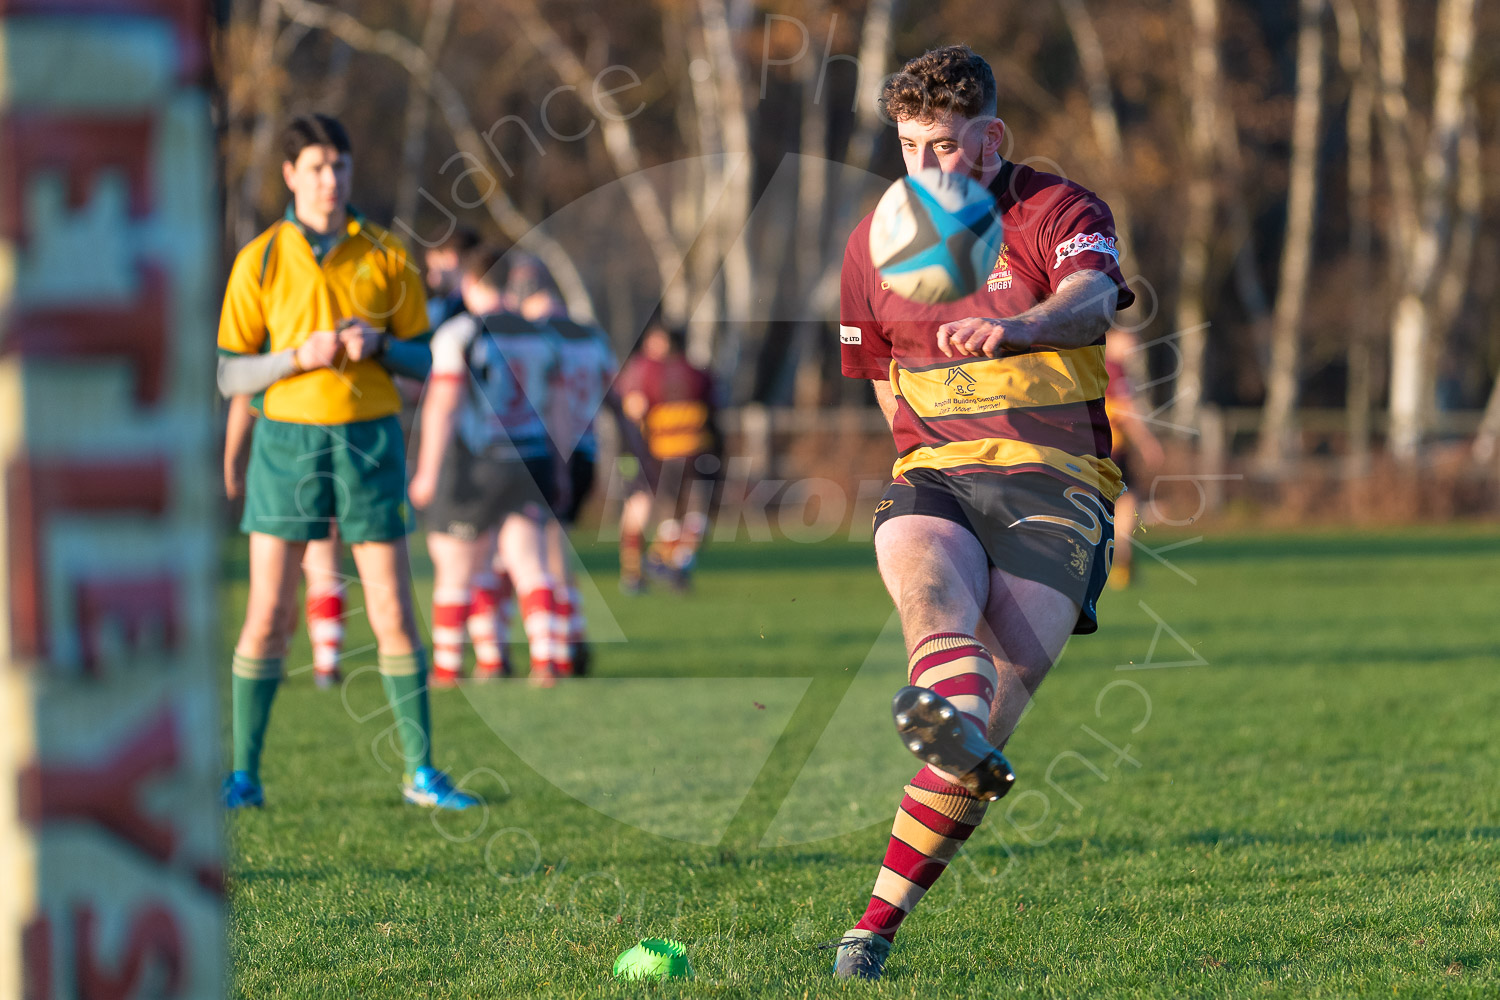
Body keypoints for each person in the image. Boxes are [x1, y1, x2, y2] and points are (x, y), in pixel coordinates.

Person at [831, 45, 1135, 979]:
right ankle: (947, 722)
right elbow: (883, 379)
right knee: (931, 595)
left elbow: (1091, 304)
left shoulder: (1057, 209)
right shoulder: (875, 243)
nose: (924, 168)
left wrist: (1024, 326)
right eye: (909, 147)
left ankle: (879, 920)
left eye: (945, 147)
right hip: (939, 472)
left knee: (989, 727)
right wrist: (925, 449)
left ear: (991, 137)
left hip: (1059, 488)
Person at [216, 113, 476, 811]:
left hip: (369, 442)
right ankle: (243, 775)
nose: (332, 180)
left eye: (342, 166)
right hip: (287, 446)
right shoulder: (260, 259)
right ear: (290, 175)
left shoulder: (387, 256)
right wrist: (294, 359)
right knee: (270, 614)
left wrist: (381, 347)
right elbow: (230, 376)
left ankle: (420, 772)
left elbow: (425, 359)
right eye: (318, 166)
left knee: (392, 606)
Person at [408, 245, 572, 687]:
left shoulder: (461, 332)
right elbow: (558, 410)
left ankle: (449, 667)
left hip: (480, 463)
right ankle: (547, 660)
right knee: (530, 563)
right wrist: (559, 468)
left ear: (471, 282)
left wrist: (426, 471)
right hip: (533, 459)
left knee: (456, 565)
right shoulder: (542, 336)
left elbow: (443, 406)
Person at [225, 394, 348, 689]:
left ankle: (287, 660)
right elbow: (243, 389)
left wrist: (231, 458)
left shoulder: (270, 349)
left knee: (281, 581)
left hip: (288, 452)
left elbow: (243, 393)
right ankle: (323, 664)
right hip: (309, 448)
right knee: (314, 568)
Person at [614, 322, 722, 592]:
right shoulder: (694, 373)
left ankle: (660, 564)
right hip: (671, 453)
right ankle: (646, 569)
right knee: (664, 514)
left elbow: (632, 411)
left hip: (662, 454)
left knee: (674, 518)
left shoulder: (643, 371)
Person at [1103, 328, 1165, 589]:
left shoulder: (1091, 364)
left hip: (1105, 449)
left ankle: (1118, 559)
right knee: (1127, 503)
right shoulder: (1113, 369)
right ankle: (1119, 558)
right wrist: (1148, 443)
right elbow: (1128, 412)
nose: (1133, 351)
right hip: (1112, 450)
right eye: (1130, 344)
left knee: (1122, 504)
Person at [424, 224, 481, 331]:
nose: (430, 279)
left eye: (433, 268)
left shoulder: (444, 308)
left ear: (451, 259)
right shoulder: (502, 300)